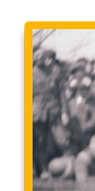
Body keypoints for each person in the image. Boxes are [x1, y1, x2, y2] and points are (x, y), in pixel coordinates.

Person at [32, 48, 68, 179]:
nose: (51, 62)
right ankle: (36, 169)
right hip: (37, 113)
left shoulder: (55, 74)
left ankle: (48, 170)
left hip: (53, 113)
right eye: (49, 59)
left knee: (57, 141)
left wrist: (64, 112)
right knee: (37, 140)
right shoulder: (32, 73)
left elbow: (62, 95)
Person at [65, 76, 95, 154]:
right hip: (73, 135)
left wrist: (86, 126)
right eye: (81, 90)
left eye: (85, 90)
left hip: (85, 135)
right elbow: (67, 117)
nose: (83, 92)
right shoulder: (71, 103)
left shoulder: (90, 103)